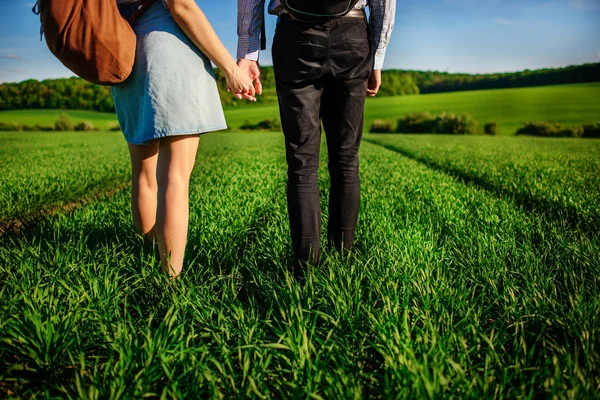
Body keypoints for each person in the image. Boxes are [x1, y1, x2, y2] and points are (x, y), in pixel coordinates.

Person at [237, 1, 396, 273]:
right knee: (346, 158)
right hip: (353, 35)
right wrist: (377, 57)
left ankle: (305, 271)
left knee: (302, 161)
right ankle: (342, 264)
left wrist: (249, 53)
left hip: (294, 36)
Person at [113, 0, 256, 277]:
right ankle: (169, 282)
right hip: (169, 54)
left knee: (143, 175)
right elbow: (182, 7)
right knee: (175, 178)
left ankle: (146, 259)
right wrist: (230, 68)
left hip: (127, 56)